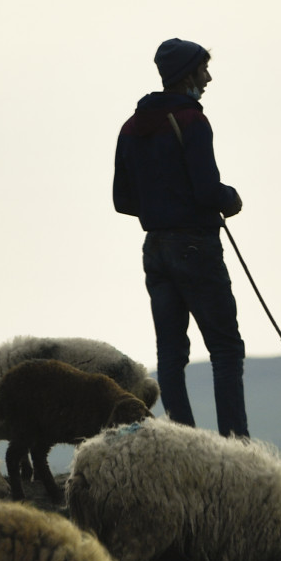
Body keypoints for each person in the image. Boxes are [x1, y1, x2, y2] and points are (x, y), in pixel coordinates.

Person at [112, 37, 249, 436]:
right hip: (196, 246)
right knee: (225, 349)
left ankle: (184, 442)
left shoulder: (130, 127)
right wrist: (230, 199)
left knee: (171, 354)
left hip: (155, 248)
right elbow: (208, 191)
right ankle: (237, 446)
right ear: (186, 75)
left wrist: (161, 210)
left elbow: (122, 200)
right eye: (202, 69)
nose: (207, 77)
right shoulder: (192, 121)